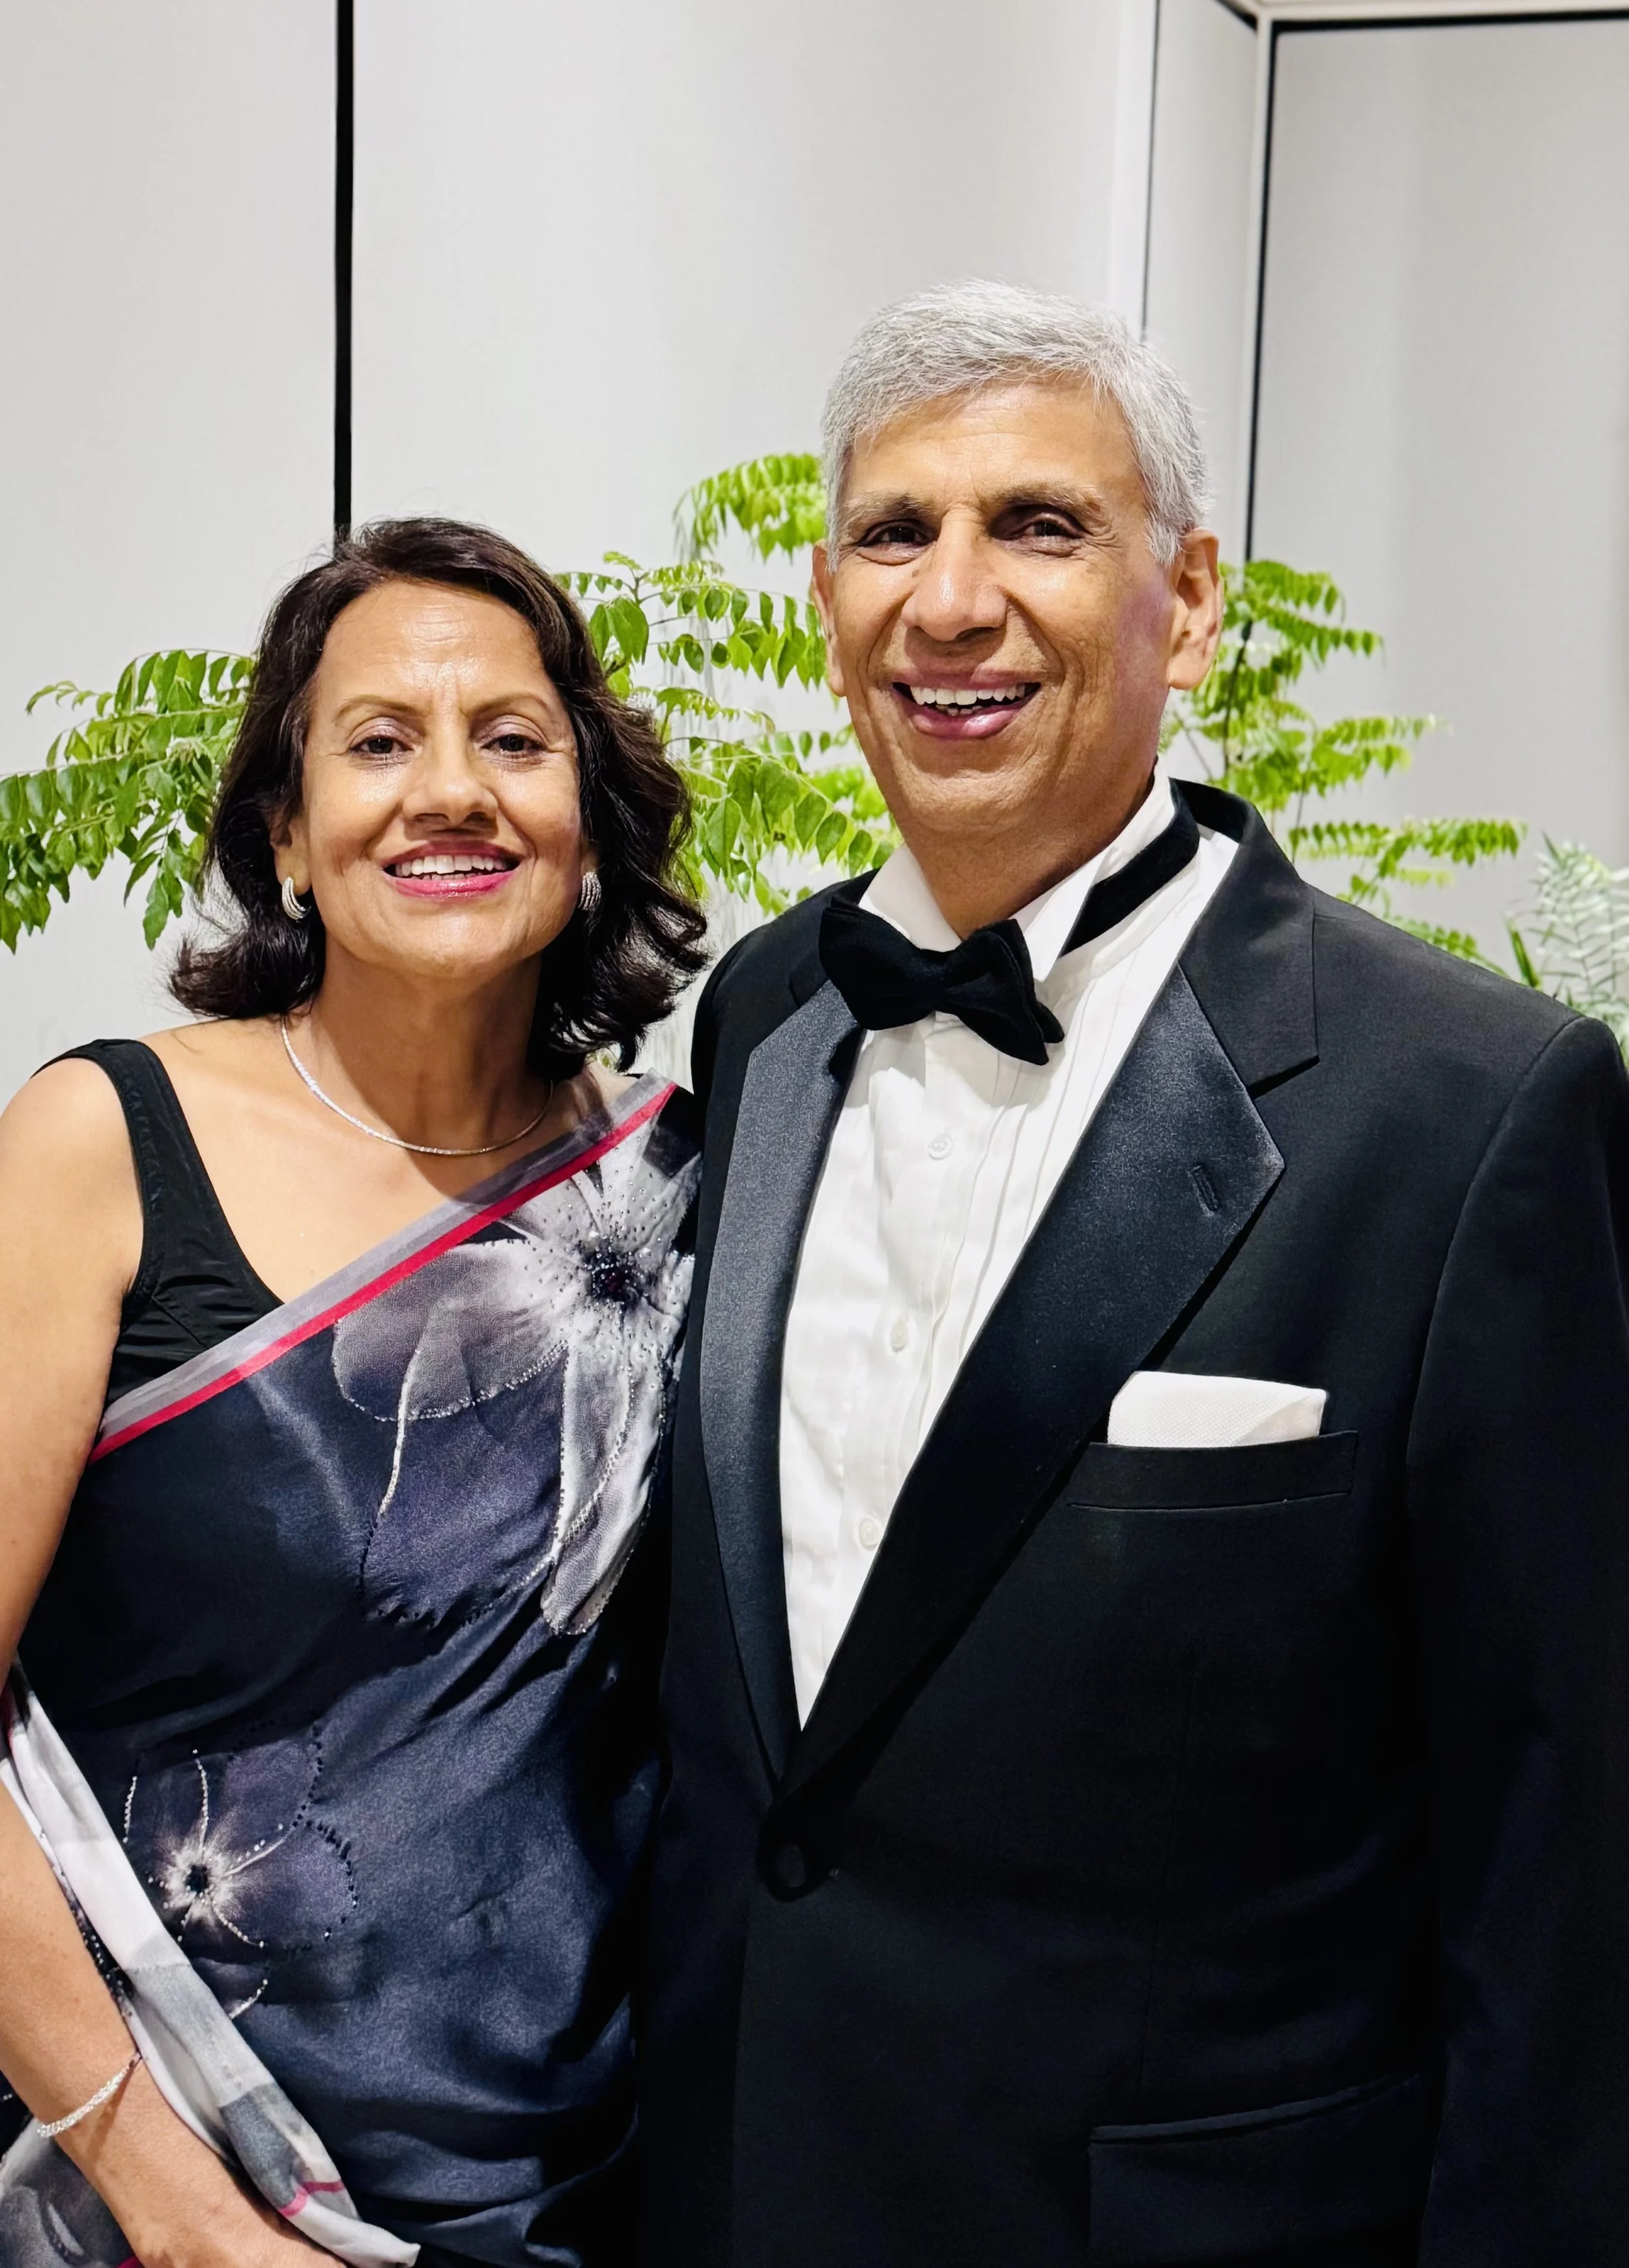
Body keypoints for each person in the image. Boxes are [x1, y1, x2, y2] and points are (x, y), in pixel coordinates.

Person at [640, 282, 1629, 2267]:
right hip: (729, 2185)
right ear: (827, 599)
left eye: (1037, 526)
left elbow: (1565, 1869)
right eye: (891, 532)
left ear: (1184, 602)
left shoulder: (1469, 1106)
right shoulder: (761, 1013)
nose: (948, 599)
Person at [0, 517, 706, 2268]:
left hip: (584, 2184)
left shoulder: (675, 1184)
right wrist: (182, 2217)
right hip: (155, 2187)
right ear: (286, 837)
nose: (447, 791)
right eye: (379, 740)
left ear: (589, 828)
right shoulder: (103, 1145)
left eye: (513, 741)